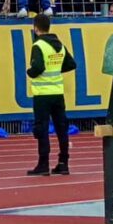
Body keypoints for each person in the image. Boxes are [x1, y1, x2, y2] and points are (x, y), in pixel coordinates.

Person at [24, 13, 76, 175]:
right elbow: (71, 63)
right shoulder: (59, 44)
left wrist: (30, 72)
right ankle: (63, 162)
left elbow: (38, 67)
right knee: (62, 128)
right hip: (58, 93)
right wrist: (56, 70)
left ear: (36, 28)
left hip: (42, 95)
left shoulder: (38, 45)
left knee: (42, 128)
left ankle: (43, 164)